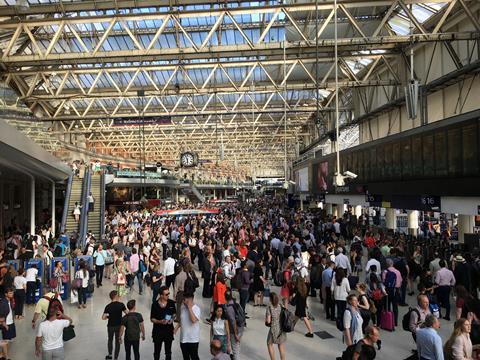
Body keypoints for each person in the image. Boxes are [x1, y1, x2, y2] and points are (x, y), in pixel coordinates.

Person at [151, 286, 176, 360]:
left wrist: (172, 319)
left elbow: (174, 313)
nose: (168, 295)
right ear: (161, 295)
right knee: (157, 352)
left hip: (168, 331)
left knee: (168, 352)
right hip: (157, 332)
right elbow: (152, 319)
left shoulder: (171, 303)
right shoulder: (155, 304)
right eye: (166, 294)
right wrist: (160, 321)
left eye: (169, 293)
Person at [102, 290, 128, 360]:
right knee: (117, 341)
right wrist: (123, 319)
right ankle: (116, 357)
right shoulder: (121, 305)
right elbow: (128, 314)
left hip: (110, 326)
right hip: (119, 326)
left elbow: (103, 317)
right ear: (115, 296)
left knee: (110, 340)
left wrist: (109, 317)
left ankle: (110, 355)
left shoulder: (108, 306)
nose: (119, 296)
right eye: (118, 295)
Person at [174, 292, 201, 360]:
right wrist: (176, 328)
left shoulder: (197, 309)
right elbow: (182, 320)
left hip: (193, 339)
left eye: (184, 299)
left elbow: (193, 320)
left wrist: (189, 308)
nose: (183, 301)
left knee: (194, 357)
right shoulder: (182, 307)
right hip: (183, 338)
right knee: (185, 357)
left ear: (190, 299)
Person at [265, 292, 286, 360]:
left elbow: (268, 321)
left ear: (270, 299)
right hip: (281, 329)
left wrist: (266, 321)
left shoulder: (269, 307)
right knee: (281, 345)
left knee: (269, 343)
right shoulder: (281, 305)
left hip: (273, 329)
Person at [382, 258, 402, 326]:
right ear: (392, 264)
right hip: (395, 291)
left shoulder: (385, 272)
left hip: (387, 291)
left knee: (387, 306)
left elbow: (384, 281)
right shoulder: (398, 272)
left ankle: (389, 321)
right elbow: (400, 282)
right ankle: (395, 322)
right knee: (395, 306)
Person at [225, 289, 243, 360]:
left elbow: (233, 322)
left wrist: (235, 334)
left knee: (235, 350)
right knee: (237, 347)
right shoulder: (237, 304)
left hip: (234, 330)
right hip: (241, 328)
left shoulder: (229, 308)